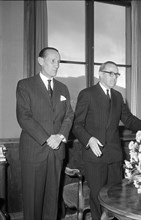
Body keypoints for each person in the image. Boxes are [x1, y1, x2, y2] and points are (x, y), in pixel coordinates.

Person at [72, 61, 141, 220]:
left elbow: (128, 119)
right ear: (100, 74)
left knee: (114, 198)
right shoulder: (87, 94)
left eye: (116, 74)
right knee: (97, 198)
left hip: (114, 155)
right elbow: (77, 125)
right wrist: (89, 140)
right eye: (110, 73)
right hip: (94, 155)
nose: (115, 77)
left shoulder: (117, 96)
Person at [16, 47, 74, 220]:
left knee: (51, 201)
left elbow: (69, 115)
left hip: (56, 153)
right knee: (33, 202)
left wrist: (60, 136)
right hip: (34, 151)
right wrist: (48, 138)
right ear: (41, 61)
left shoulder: (63, 88)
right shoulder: (25, 85)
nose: (57, 65)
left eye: (59, 62)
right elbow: (24, 117)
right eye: (53, 61)